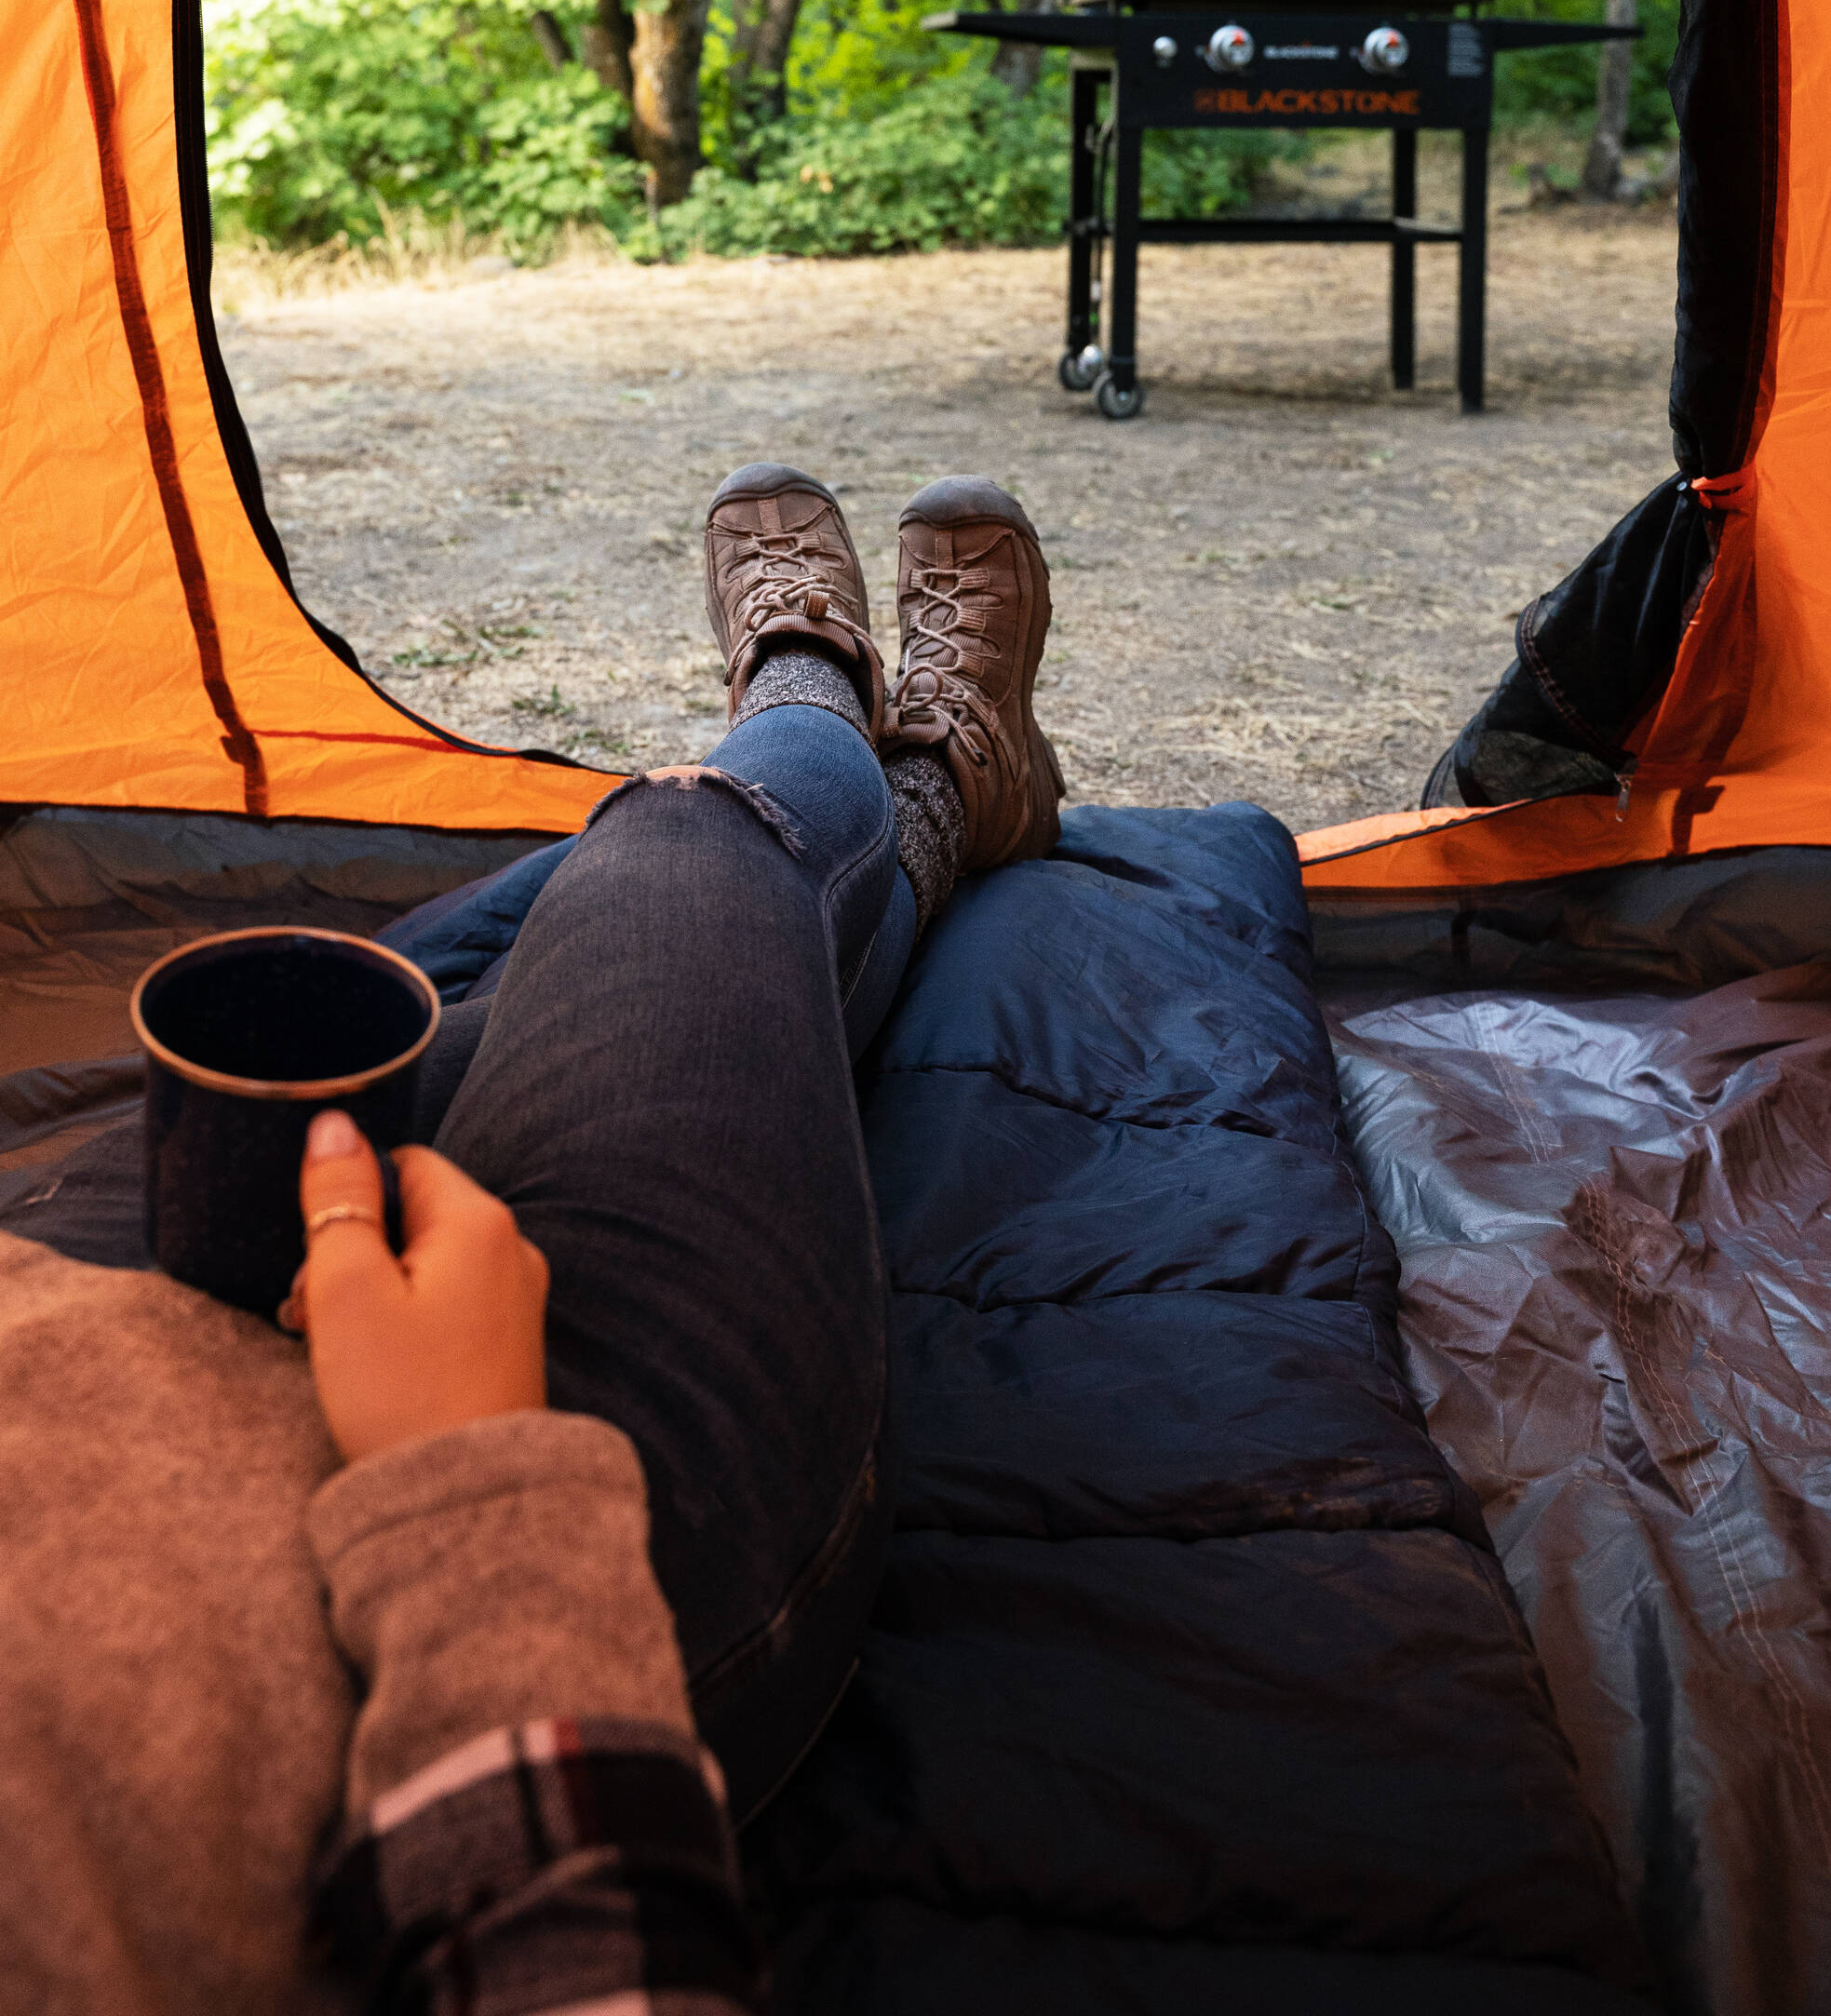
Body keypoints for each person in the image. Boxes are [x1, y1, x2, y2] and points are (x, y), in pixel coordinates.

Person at [0, 466, 1063, 2016]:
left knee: (554, 1003)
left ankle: (938, 779)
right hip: (448, 1588)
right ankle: (848, 707)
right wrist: (471, 1485)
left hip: (71, 1316)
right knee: (679, 856)